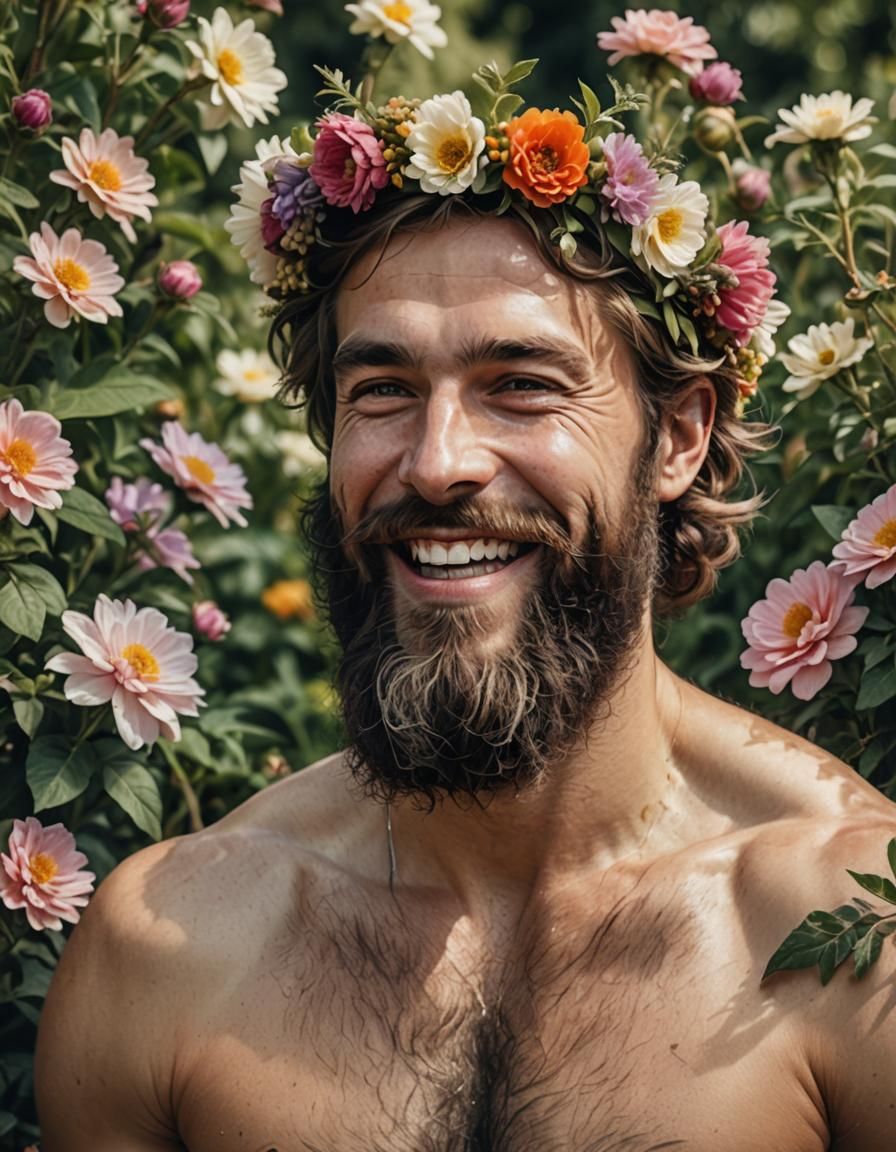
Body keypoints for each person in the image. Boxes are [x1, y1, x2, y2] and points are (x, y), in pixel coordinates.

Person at [34, 60, 896, 1152]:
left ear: (677, 436)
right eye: (382, 391)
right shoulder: (170, 953)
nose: (438, 462)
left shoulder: (849, 935)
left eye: (521, 385)